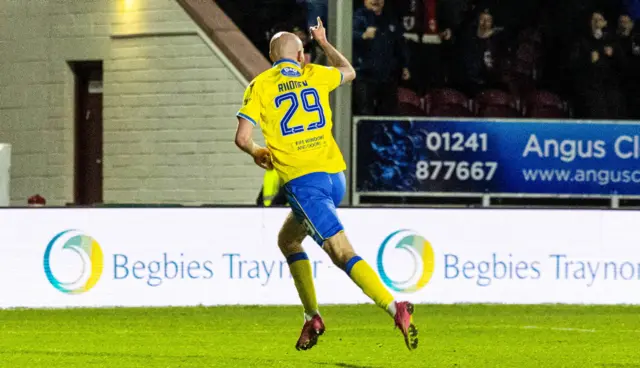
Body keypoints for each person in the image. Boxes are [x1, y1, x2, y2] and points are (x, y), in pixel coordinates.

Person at [234, 17, 418, 351]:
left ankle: (395, 308)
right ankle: (311, 317)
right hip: (335, 177)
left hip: (305, 183)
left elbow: (242, 138)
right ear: (301, 54)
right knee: (288, 240)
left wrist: (258, 151)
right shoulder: (315, 74)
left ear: (271, 56)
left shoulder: (259, 84)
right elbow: (349, 71)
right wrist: (324, 43)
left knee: (340, 251)